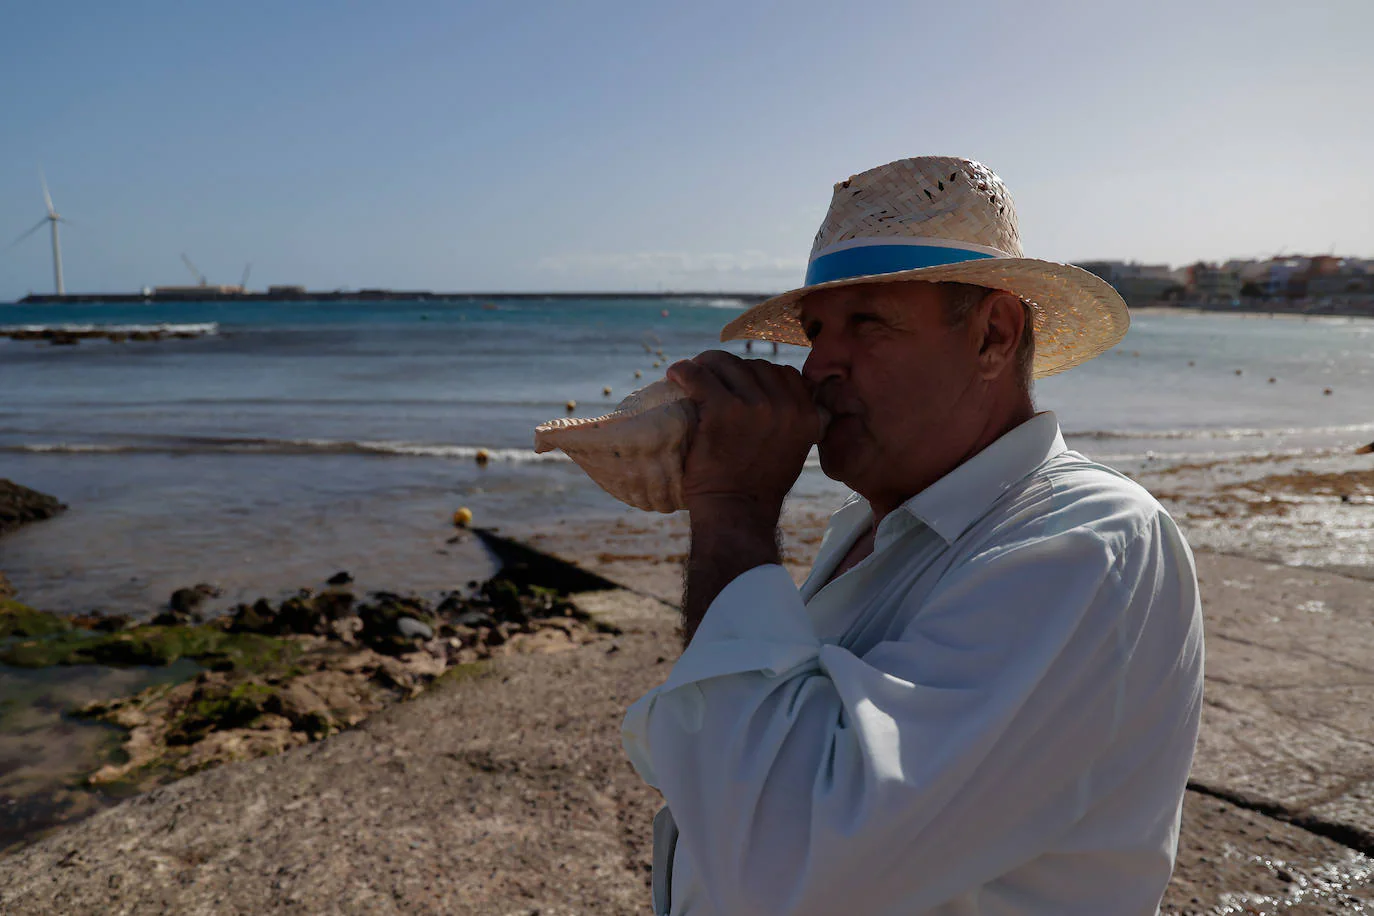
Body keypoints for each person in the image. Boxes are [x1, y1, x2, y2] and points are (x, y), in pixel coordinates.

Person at [621, 156, 1204, 915]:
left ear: (995, 334)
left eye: (867, 323)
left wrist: (732, 505)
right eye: (816, 330)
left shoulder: (1091, 542)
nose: (819, 365)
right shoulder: (887, 526)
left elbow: (787, 860)